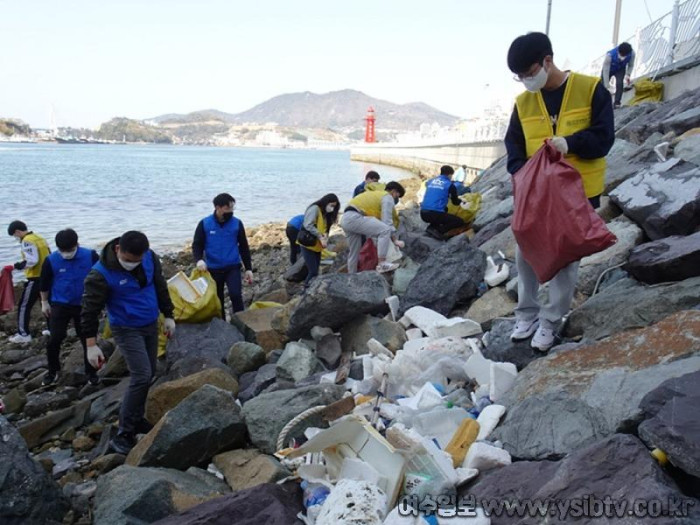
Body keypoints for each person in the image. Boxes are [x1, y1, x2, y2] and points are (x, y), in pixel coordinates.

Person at [504, 32, 614, 351]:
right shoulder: (523, 103)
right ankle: (526, 314)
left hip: (578, 194)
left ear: (547, 61)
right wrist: (520, 174)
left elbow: (604, 137)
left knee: (566, 258)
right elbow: (513, 146)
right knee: (525, 250)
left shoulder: (590, 89)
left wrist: (571, 143)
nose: (525, 80)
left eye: (528, 73)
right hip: (536, 196)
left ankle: (551, 320)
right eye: (519, 76)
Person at [81, 231, 176, 455]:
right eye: (129, 260)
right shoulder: (100, 274)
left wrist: (169, 315)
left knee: (150, 371)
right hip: (125, 327)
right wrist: (91, 345)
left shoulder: (150, 258)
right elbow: (89, 311)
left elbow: (160, 285)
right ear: (117, 250)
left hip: (150, 323)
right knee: (141, 374)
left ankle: (136, 419)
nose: (133, 264)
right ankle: (124, 432)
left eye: (137, 260)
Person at [39, 229, 100, 386]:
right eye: (63, 251)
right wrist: (44, 303)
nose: (67, 254)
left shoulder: (90, 255)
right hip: (60, 303)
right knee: (55, 339)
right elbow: (44, 283)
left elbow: (102, 277)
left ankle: (91, 373)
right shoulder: (51, 260)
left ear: (77, 244)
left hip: (84, 304)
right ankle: (53, 371)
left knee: (87, 338)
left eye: (70, 250)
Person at [192, 193, 254, 318]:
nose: (231, 211)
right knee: (217, 299)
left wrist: (248, 268)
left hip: (232, 267)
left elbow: (243, 246)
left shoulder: (237, 223)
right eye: (227, 208)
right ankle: (222, 326)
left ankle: (241, 322)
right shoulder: (205, 224)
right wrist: (199, 260)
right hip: (213, 268)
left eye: (232, 208)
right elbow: (197, 245)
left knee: (236, 294)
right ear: (217, 207)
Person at [341, 181, 406, 274]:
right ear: (393, 191)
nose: (396, 199)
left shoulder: (375, 194)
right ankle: (382, 263)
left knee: (354, 253)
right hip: (355, 217)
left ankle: (352, 276)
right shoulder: (387, 197)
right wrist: (395, 240)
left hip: (346, 218)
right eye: (397, 196)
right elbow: (387, 222)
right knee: (385, 230)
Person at [6, 220, 50, 344]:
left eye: (15, 236)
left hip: (35, 278)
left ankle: (23, 334)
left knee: (24, 306)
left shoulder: (27, 241)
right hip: (46, 276)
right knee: (46, 304)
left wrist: (17, 266)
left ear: (17, 232)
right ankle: (52, 328)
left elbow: (32, 260)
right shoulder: (39, 238)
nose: (16, 238)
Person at [298, 194, 340, 287]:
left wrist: (324, 238)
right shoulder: (315, 209)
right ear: (326, 202)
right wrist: (320, 236)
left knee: (315, 270)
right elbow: (308, 225)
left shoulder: (325, 213)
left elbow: (323, 228)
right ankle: (306, 289)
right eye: (331, 205)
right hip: (308, 244)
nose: (332, 208)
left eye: (334, 206)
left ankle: (310, 288)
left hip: (317, 246)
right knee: (313, 271)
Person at [420, 165, 466, 238]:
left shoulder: (431, 181)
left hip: (423, 213)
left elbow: (436, 192)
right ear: (450, 175)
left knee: (445, 209)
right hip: (434, 214)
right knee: (459, 221)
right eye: (451, 175)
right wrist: (462, 201)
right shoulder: (450, 185)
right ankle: (439, 230)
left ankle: (431, 227)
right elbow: (455, 202)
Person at [602, 42, 635, 108]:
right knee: (602, 86)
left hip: (620, 69)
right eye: (621, 55)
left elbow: (631, 65)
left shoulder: (632, 53)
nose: (622, 57)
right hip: (609, 69)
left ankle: (617, 102)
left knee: (619, 83)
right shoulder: (610, 56)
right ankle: (602, 103)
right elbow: (605, 71)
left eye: (624, 56)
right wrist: (607, 85)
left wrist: (628, 74)